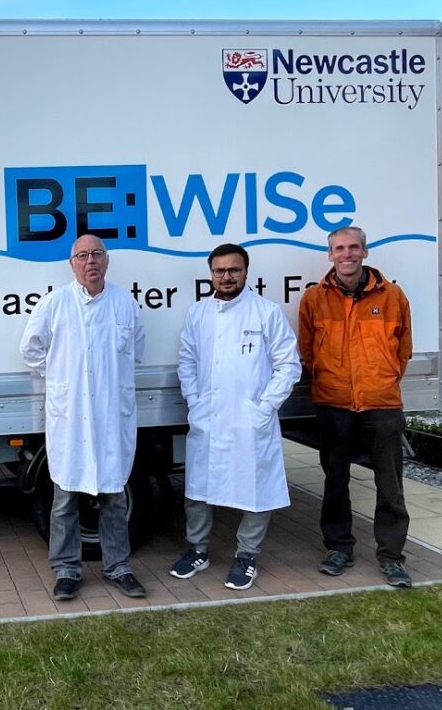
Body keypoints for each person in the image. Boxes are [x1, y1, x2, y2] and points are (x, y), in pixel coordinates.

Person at [20, 234, 147, 601]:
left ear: (106, 261)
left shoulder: (125, 304)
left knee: (114, 498)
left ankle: (119, 567)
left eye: (96, 254)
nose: (90, 261)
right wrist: (63, 376)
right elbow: (30, 350)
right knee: (64, 500)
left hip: (111, 418)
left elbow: (136, 349)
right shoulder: (55, 303)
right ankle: (66, 570)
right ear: (72, 264)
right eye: (82, 256)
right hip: (71, 418)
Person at [169, 243, 301, 590]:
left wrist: (263, 408)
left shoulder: (266, 313)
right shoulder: (198, 313)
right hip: (208, 418)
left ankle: (246, 556)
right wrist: (194, 401)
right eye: (220, 270)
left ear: (245, 272)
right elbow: (187, 361)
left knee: (256, 489)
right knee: (197, 490)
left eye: (234, 270)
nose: (226, 276)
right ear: (211, 274)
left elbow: (288, 366)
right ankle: (197, 550)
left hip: (250, 420)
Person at [298, 226, 414, 588]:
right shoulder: (314, 298)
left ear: (365, 251)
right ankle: (339, 549)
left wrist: (381, 381)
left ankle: (391, 557)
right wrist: (330, 380)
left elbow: (403, 350)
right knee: (335, 480)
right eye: (339, 248)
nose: (346, 254)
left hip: (382, 404)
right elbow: (307, 351)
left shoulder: (393, 296)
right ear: (330, 255)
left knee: (390, 485)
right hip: (333, 404)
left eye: (352, 247)